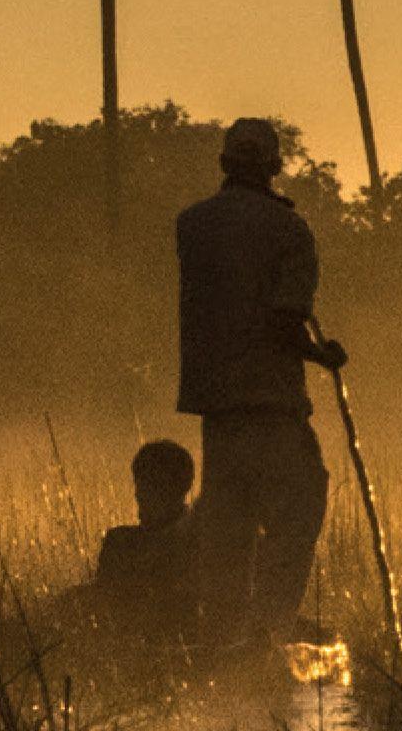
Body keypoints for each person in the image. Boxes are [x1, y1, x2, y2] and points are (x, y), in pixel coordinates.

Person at [176, 117, 344, 637]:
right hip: (271, 404)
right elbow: (281, 319)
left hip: (218, 410)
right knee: (298, 506)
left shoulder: (192, 224)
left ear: (225, 163)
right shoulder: (288, 228)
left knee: (230, 526)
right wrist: (322, 356)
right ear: (275, 166)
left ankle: (227, 635)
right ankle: (271, 626)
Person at [76, 436, 210, 642]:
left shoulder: (192, 544)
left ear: (175, 490)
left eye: (149, 486)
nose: (138, 494)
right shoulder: (120, 541)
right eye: (140, 484)